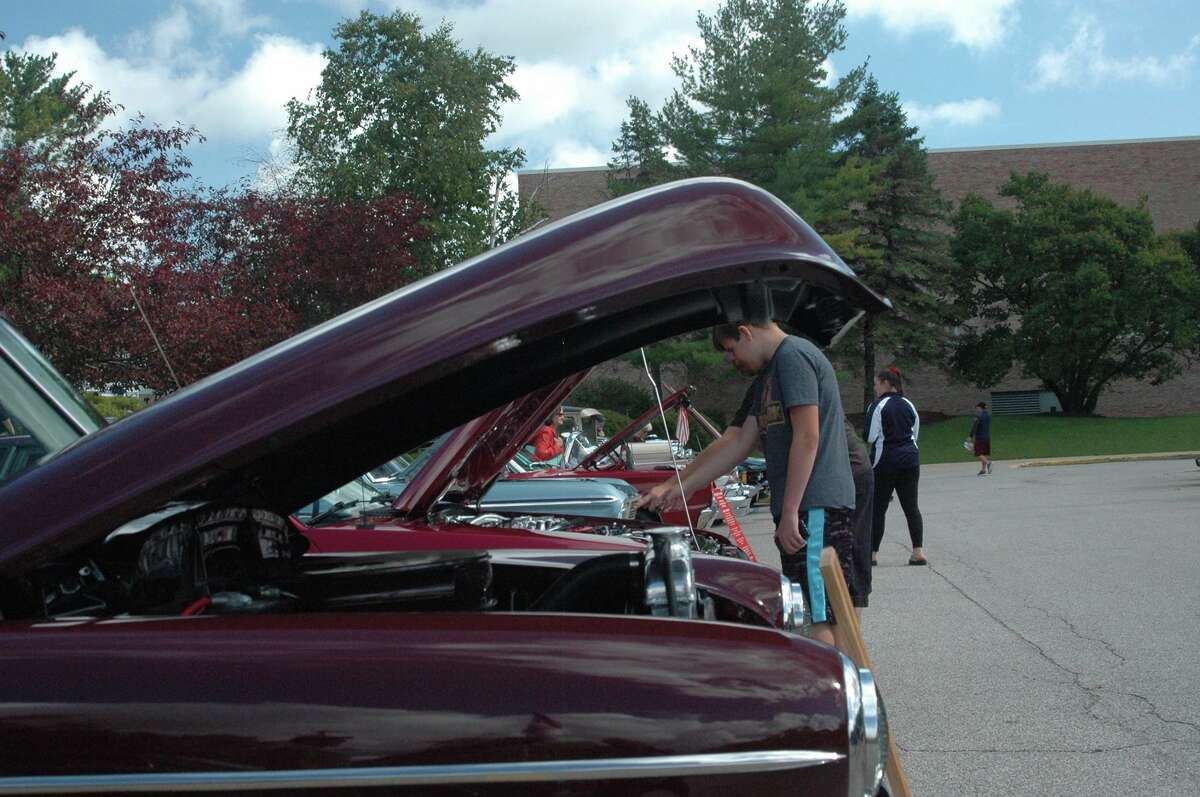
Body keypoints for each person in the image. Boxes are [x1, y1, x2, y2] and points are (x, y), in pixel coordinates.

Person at [639, 320, 857, 647]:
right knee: (817, 609)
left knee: (818, 615)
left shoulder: (793, 357)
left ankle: (830, 693)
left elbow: (808, 436)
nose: (731, 359)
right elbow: (738, 442)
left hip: (815, 506)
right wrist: (677, 486)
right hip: (805, 509)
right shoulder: (770, 375)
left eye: (731, 349)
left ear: (746, 332)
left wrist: (790, 511)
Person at [865, 366, 926, 566]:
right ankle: (918, 552)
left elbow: (870, 436)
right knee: (911, 506)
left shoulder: (877, 406)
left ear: (885, 383)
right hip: (910, 459)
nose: (875, 388)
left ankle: (872, 554)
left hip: (885, 461)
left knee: (878, 508)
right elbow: (914, 434)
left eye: (876, 384)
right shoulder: (909, 404)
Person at [970, 401, 992, 475]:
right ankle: (983, 470)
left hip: (980, 437)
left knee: (978, 452)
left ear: (980, 408)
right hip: (987, 437)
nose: (977, 410)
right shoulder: (988, 416)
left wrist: (970, 436)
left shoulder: (979, 417)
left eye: (977, 408)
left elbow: (974, 427)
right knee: (983, 453)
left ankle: (988, 463)